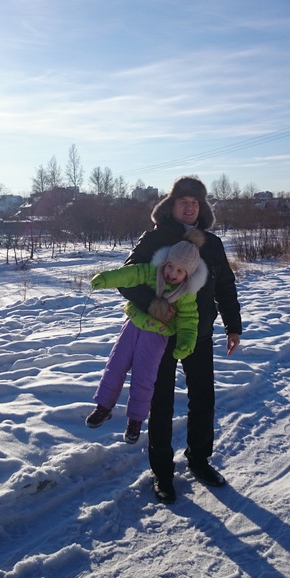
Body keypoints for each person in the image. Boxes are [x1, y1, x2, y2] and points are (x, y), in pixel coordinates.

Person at [119, 176, 242, 503]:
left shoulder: (211, 243)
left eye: (195, 202)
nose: (190, 207)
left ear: (202, 208)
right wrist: (152, 305)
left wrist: (233, 326)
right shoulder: (154, 239)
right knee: (160, 403)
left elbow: (224, 286)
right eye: (183, 201)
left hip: (199, 334)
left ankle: (199, 460)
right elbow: (126, 280)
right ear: (171, 205)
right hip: (159, 336)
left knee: (203, 398)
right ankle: (162, 473)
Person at [85, 230, 208, 444]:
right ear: (165, 262)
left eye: (179, 271)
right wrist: (105, 279)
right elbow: (129, 274)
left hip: (156, 336)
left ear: (187, 275)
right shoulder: (152, 272)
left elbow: (189, 320)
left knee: (144, 377)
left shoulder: (186, 295)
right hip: (133, 324)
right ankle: (103, 407)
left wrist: (186, 343)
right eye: (170, 266)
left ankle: (135, 419)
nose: (172, 273)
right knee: (115, 365)